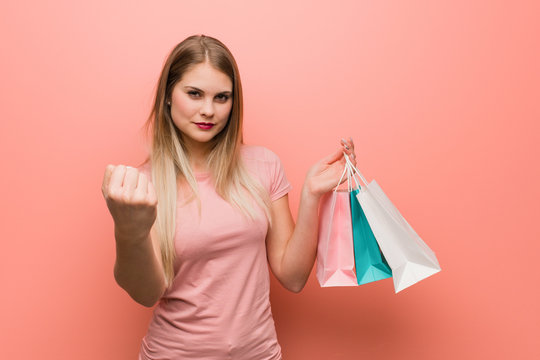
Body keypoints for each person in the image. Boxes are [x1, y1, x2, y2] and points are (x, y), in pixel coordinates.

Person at [101, 34, 357, 360]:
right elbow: (146, 293)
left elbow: (292, 277)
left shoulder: (263, 165)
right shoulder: (142, 185)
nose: (208, 110)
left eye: (222, 97)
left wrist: (310, 194)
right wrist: (129, 230)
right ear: (168, 95)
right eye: (194, 94)